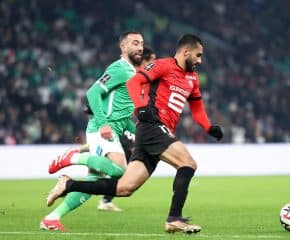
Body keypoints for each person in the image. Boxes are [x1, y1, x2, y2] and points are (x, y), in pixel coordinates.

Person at [45, 34, 223, 234]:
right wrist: (141, 108)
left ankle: (69, 184)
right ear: (186, 51)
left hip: (155, 132)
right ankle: (174, 218)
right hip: (153, 126)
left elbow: (197, 106)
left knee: (124, 188)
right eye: (198, 55)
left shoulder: (192, 78)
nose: (200, 60)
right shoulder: (162, 66)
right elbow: (133, 83)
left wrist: (208, 127)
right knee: (188, 163)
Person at [40, 31, 144, 230]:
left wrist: (139, 131)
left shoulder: (132, 73)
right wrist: (104, 123)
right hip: (102, 129)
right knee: (121, 170)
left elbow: (123, 112)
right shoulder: (119, 68)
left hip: (112, 128)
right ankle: (72, 157)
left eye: (141, 43)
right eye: (134, 43)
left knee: (92, 184)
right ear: (123, 47)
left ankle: (52, 218)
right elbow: (93, 92)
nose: (139, 47)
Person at [81, 46, 157, 212]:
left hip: (122, 125)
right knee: (123, 166)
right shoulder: (125, 73)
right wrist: (96, 113)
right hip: (111, 127)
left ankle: (102, 197)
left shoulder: (140, 81)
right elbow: (98, 93)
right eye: (151, 61)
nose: (154, 65)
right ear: (141, 61)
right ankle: (78, 158)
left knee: (98, 176)